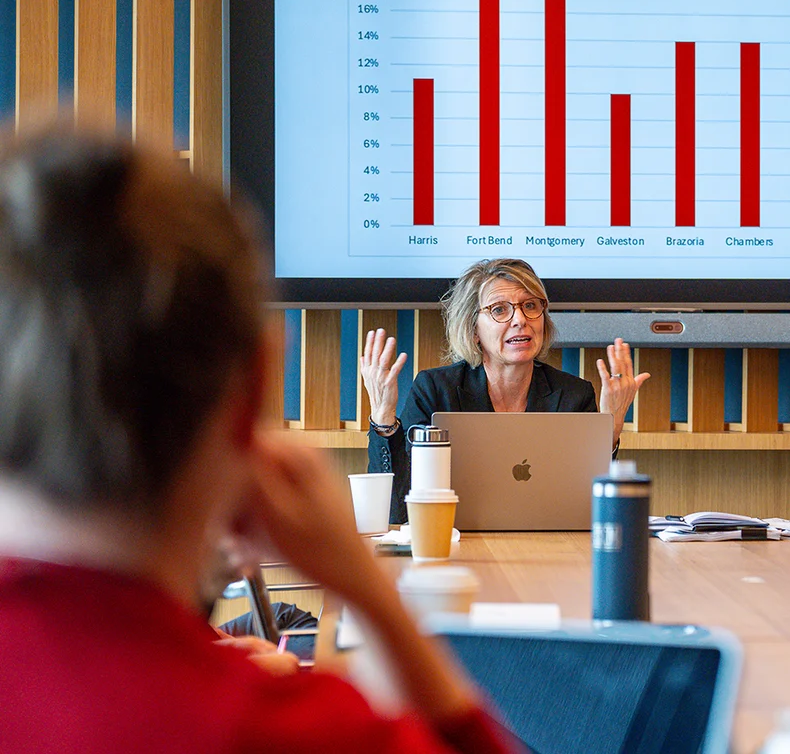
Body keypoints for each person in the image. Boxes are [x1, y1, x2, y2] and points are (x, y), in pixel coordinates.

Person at [0, 131, 516, 752]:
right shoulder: (302, 732)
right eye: (502, 309)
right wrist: (371, 596)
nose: (520, 320)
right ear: (257, 386)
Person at [364, 257, 648, 524]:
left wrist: (610, 430)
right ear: (473, 330)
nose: (520, 319)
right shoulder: (436, 391)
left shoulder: (573, 395)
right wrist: (383, 417)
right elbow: (397, 510)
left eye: (530, 306)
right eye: (499, 309)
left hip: (550, 542)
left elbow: (593, 509)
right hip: (457, 541)